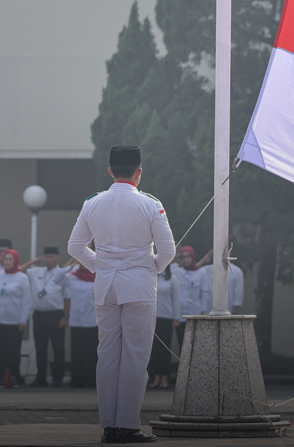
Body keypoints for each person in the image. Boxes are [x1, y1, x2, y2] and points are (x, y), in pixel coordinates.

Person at [68, 145, 175, 444]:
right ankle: (128, 425)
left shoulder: (92, 203)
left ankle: (109, 427)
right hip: (139, 286)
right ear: (139, 173)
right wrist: (148, 269)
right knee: (135, 357)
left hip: (106, 287)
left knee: (107, 356)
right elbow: (168, 251)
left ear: (110, 171)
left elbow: (75, 248)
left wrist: (101, 266)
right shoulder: (151, 204)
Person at [22, 246, 72, 386]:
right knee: (40, 348)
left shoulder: (62, 274)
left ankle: (58, 379)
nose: (48, 260)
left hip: (56, 315)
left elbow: (67, 299)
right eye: (46, 257)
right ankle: (41, 377)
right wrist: (34, 261)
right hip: (39, 315)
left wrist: (65, 316)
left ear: (57, 258)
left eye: (51, 257)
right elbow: (20, 270)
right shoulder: (36, 271)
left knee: (58, 348)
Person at [0, 248, 31, 387]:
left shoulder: (22, 277)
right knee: (0, 351)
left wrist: (23, 320)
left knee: (13, 351)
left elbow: (27, 301)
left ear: (16, 260)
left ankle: (14, 377)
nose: (7, 262)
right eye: (5, 259)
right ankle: (1, 378)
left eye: (10, 259)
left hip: (14, 321)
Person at [58, 257, 97, 388]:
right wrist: (72, 261)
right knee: (77, 351)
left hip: (92, 320)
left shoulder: (98, 277)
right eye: (82, 261)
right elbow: (56, 277)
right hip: (76, 320)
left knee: (91, 352)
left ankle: (90, 380)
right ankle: (77, 379)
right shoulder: (72, 276)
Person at [148, 263, 181, 389]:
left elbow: (176, 299)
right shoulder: (151, 277)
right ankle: (156, 377)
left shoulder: (172, 279)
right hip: (152, 317)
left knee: (165, 349)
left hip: (167, 318)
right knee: (154, 349)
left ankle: (165, 377)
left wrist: (176, 318)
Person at [173, 246, 210, 348]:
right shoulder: (177, 272)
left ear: (193, 257)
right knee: (182, 345)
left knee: (194, 346)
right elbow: (165, 271)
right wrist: (172, 259)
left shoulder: (201, 273)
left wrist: (204, 312)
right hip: (180, 316)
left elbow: (204, 293)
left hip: (195, 314)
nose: (186, 259)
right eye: (183, 257)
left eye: (188, 256)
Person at [195, 249, 245, 314]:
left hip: (228, 313)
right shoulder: (207, 270)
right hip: (209, 313)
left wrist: (234, 315)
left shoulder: (236, 271)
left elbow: (238, 296)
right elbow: (193, 272)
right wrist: (203, 260)